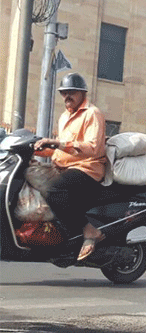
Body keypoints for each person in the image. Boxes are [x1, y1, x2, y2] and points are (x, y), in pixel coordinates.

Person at [33, 73, 107, 260]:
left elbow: (92, 148)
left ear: (83, 93)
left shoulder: (92, 113)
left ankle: (89, 231)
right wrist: (37, 151)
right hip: (66, 168)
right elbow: (62, 151)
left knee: (55, 191)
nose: (67, 96)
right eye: (64, 93)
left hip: (87, 169)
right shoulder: (64, 117)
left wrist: (58, 144)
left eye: (72, 92)